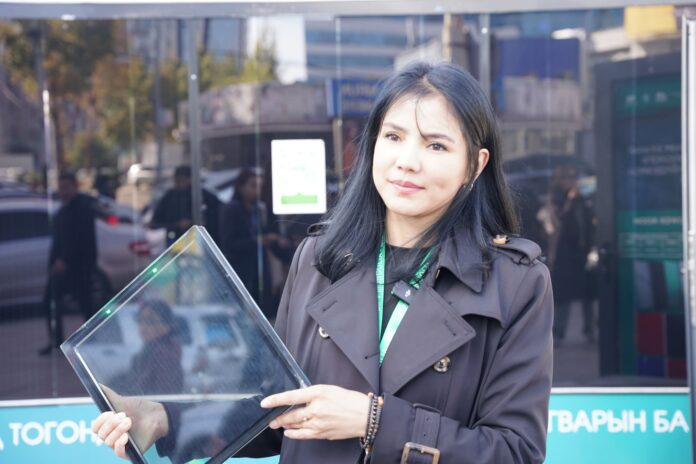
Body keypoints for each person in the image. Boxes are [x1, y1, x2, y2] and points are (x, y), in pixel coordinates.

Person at [93, 62, 553, 463]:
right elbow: (280, 406)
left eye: (436, 145)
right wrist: (164, 418)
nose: (407, 161)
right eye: (393, 137)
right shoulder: (320, 258)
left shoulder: (515, 283)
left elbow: (515, 451)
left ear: (475, 165)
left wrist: (375, 421)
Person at [40, 171, 97, 355]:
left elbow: (80, 240)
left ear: (75, 187)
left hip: (79, 267)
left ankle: (94, 340)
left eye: (66, 187)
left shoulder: (82, 208)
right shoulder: (62, 211)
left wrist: (65, 259)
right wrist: (53, 263)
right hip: (62, 268)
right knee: (50, 302)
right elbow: (58, 241)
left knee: (86, 305)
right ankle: (56, 340)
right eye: (61, 187)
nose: (63, 191)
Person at [221, 169, 290, 320]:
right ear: (241, 187)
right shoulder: (232, 209)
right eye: (253, 185)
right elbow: (229, 243)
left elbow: (264, 233)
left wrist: (275, 240)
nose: (257, 190)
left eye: (259, 186)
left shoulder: (257, 209)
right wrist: (259, 241)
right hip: (241, 267)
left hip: (258, 268)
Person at [538, 165, 595, 343]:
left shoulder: (582, 199)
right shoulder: (556, 199)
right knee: (564, 295)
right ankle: (559, 332)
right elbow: (556, 223)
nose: (572, 181)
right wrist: (569, 201)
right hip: (564, 253)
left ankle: (589, 329)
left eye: (573, 178)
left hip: (582, 251)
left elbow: (589, 223)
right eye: (568, 178)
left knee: (588, 293)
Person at [150, 165, 221, 245]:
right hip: (176, 243)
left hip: (201, 242)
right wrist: (177, 225)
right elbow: (155, 223)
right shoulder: (169, 197)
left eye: (183, 179)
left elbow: (216, 216)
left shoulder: (204, 196)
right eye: (177, 179)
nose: (179, 182)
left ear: (190, 179)